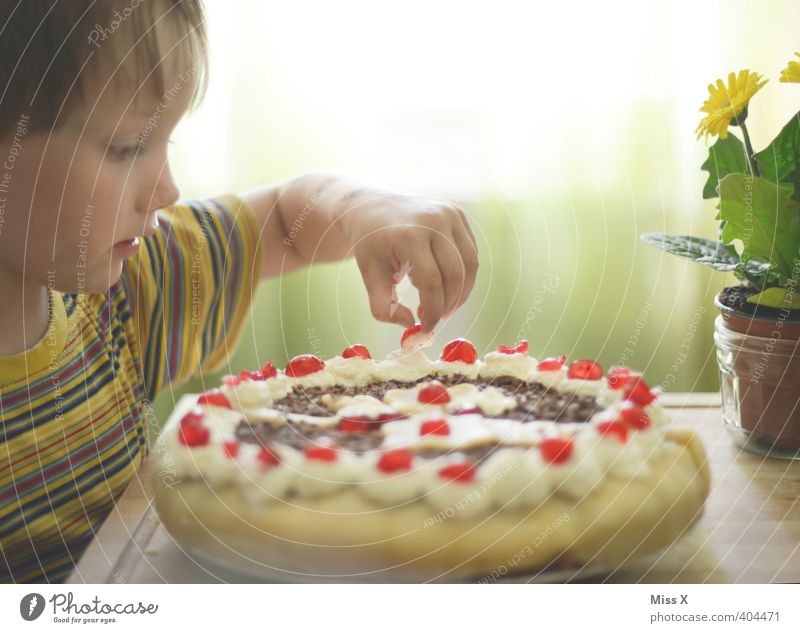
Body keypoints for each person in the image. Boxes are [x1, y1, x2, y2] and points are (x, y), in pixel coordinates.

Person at [0, 0, 478, 582]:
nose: (167, 189)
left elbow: (283, 221)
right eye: (126, 148)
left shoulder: (128, 289)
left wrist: (366, 211)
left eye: (164, 145)